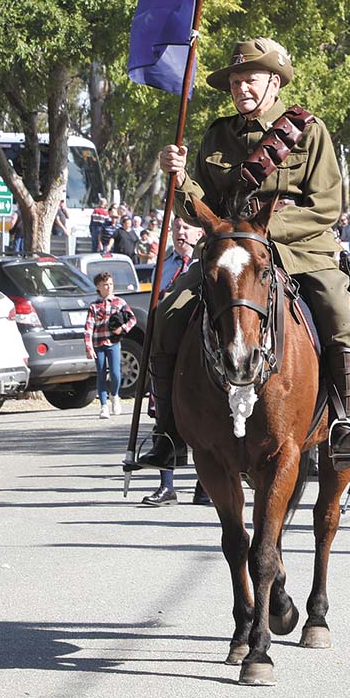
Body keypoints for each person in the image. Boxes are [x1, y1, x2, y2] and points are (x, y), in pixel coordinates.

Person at [138, 37, 350, 471]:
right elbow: (199, 207)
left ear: (275, 82)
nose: (242, 88)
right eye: (236, 81)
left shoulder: (309, 132)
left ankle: (343, 422)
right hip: (230, 254)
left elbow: (326, 206)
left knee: (338, 315)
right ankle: (168, 430)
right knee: (167, 315)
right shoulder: (217, 134)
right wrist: (180, 178)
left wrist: (260, 234)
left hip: (299, 250)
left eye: (251, 80)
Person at [142, 216, 211, 507]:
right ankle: (166, 485)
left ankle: (205, 484)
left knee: (206, 418)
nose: (180, 233)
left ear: (199, 232)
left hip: (199, 353)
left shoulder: (206, 263)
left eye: (186, 228)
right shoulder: (164, 264)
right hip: (170, 354)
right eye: (176, 227)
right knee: (164, 415)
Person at [83, 272, 136, 419]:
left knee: (115, 372)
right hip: (98, 343)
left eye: (111, 284)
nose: (109, 287)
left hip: (113, 343)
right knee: (101, 373)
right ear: (99, 287)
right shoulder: (94, 306)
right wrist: (88, 346)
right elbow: (88, 327)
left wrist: (122, 328)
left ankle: (115, 396)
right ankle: (103, 405)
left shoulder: (119, 302)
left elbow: (132, 319)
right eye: (105, 284)